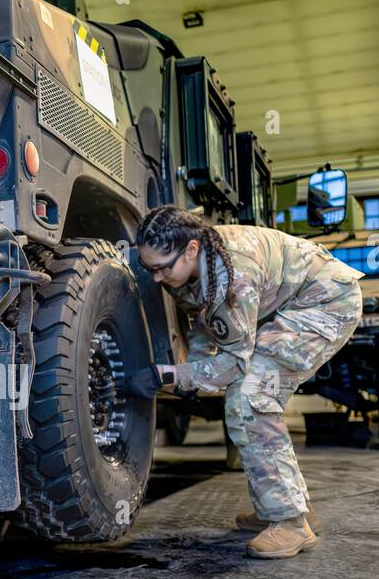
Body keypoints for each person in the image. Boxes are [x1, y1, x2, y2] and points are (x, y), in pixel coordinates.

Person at [130, 207, 363, 559]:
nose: (158, 278)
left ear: (191, 249)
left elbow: (234, 365)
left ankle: (290, 522)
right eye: (151, 269)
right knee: (248, 395)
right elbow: (203, 324)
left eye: (164, 267)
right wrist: (193, 370)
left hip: (327, 303)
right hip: (291, 305)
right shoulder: (194, 263)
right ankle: (285, 507)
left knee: (251, 397)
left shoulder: (231, 274)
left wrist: (171, 376)